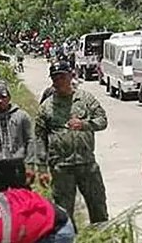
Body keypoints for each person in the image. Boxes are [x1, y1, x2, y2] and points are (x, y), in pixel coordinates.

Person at [38, 57, 109, 224]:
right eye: (55, 78)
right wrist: (41, 168)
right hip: (62, 168)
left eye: (62, 76)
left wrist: (84, 124)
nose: (59, 81)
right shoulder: (46, 107)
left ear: (71, 76)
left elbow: (102, 121)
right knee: (63, 214)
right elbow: (39, 138)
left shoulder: (86, 99)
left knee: (98, 208)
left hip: (87, 164)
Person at [0, 82, 35, 193]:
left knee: (21, 199)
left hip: (17, 165)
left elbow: (30, 140)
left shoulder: (22, 117)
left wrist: (30, 165)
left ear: (9, 98)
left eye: (3, 97)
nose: (0, 101)